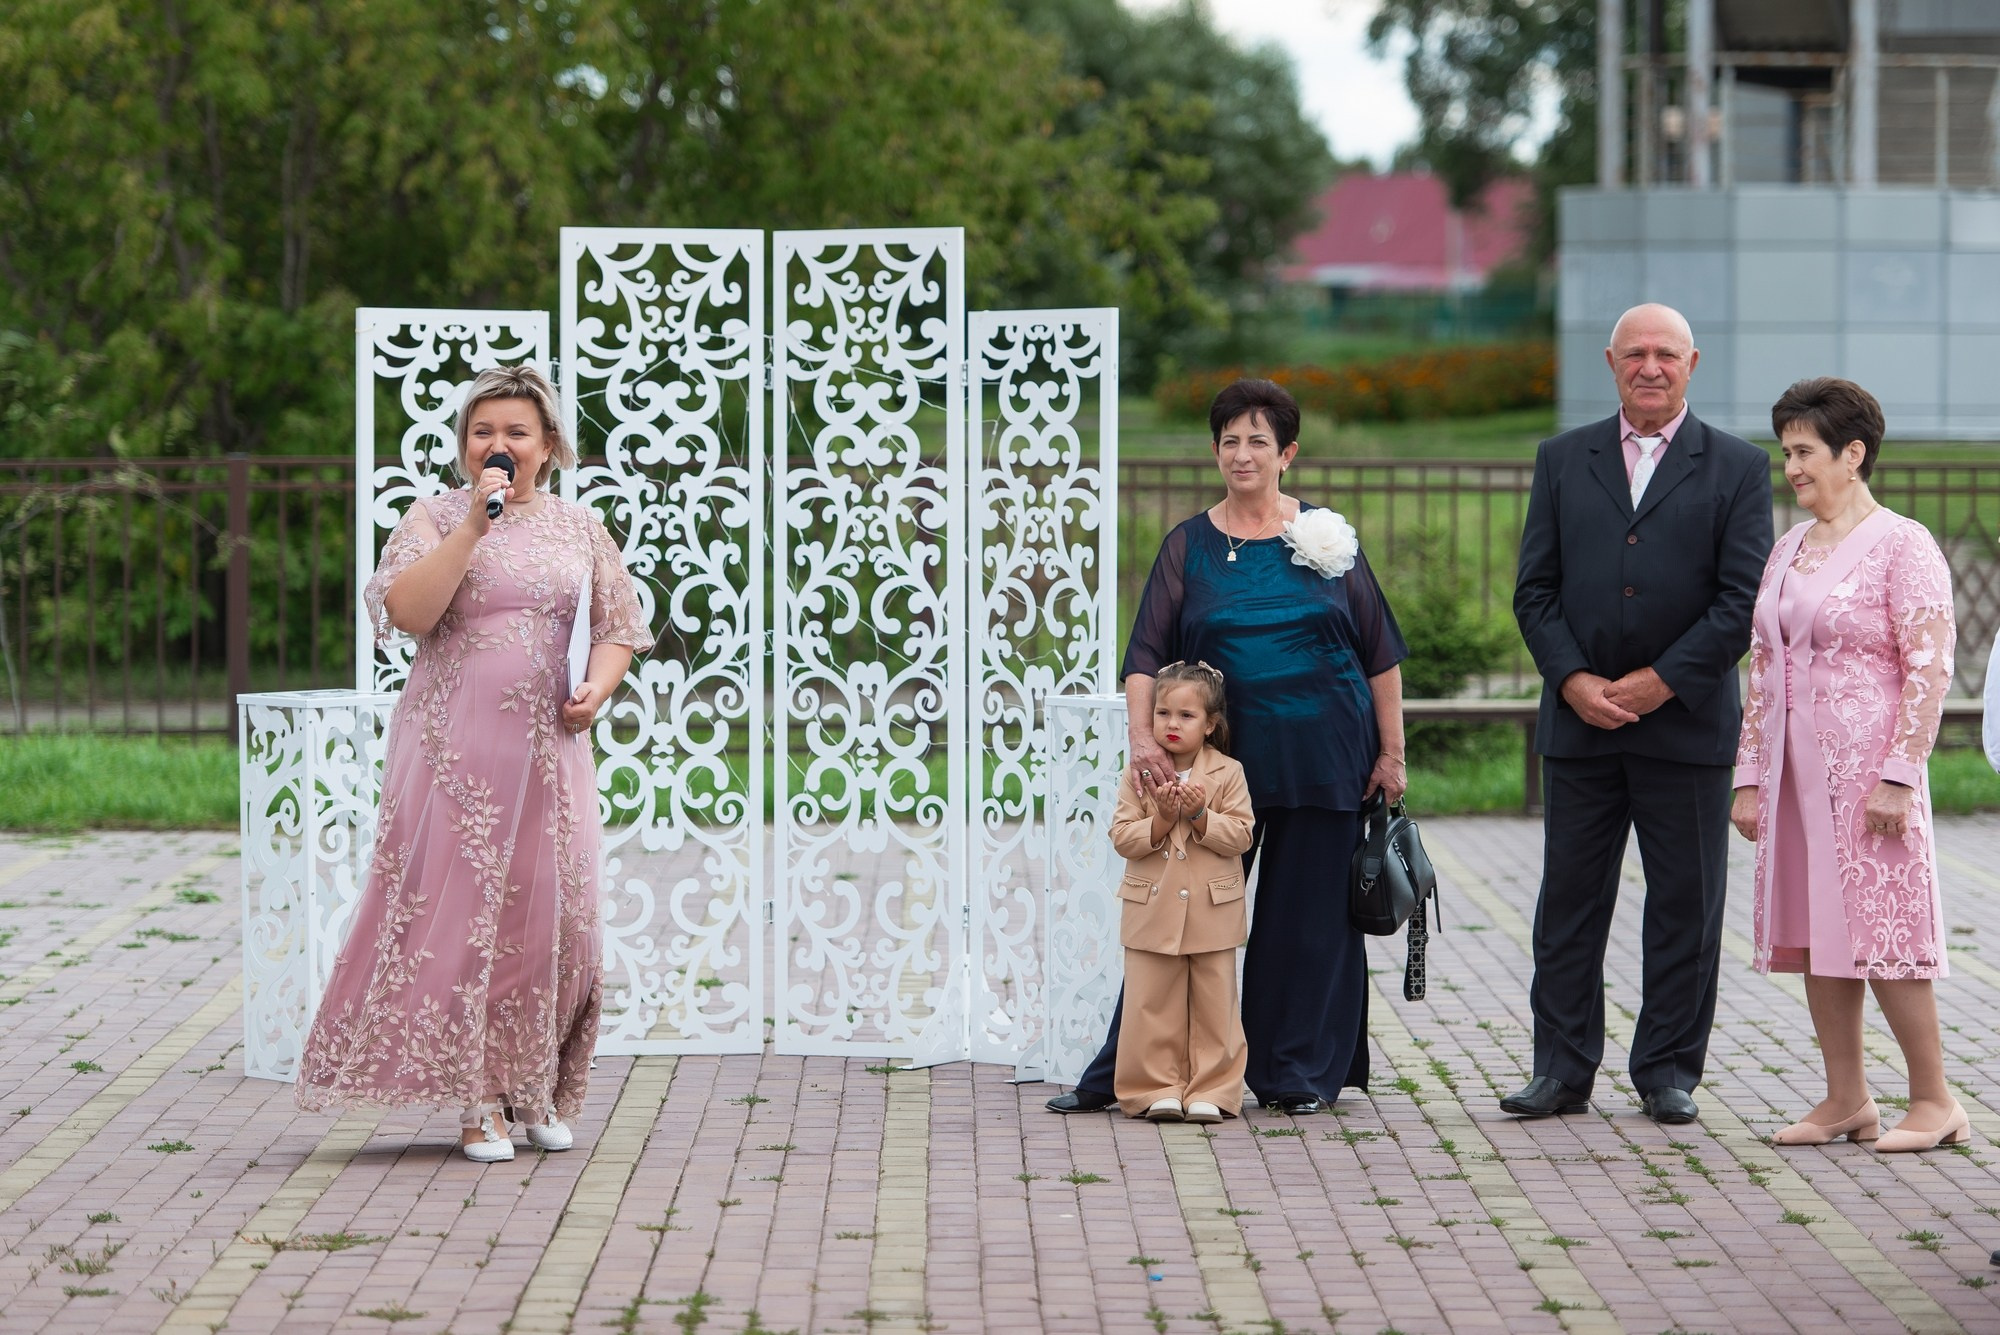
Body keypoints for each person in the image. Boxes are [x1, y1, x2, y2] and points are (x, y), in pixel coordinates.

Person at [296, 365, 655, 1163]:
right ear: (464, 448)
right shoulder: (432, 519)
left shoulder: (579, 526)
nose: (498, 444)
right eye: (482, 431)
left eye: (515, 431)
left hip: (550, 749)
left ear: (550, 446)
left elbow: (617, 624)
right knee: (464, 920)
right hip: (453, 750)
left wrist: (598, 684)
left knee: (559, 920)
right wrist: (472, 527)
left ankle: (536, 1088)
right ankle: (476, 1098)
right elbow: (411, 611)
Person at [1046, 378, 1408, 1117]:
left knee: (1305, 922)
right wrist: (1143, 740)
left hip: (1326, 750)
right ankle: (1134, 1070)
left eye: (1259, 441)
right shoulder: (1189, 544)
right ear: (1216, 452)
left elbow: (1380, 652)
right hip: (1211, 769)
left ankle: (1295, 1073)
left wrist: (1392, 752)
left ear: (1288, 453)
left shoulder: (1327, 538)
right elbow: (1144, 654)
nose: (1243, 454)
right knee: (1179, 915)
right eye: (1230, 441)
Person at [1503, 303, 1773, 1126]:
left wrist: (1663, 680)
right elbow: (1534, 590)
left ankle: (1666, 1070)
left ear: (1693, 362)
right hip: (1581, 724)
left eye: (1665, 354)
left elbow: (1742, 601)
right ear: (1611, 362)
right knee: (1569, 904)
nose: (1649, 367)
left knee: (1685, 905)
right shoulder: (1562, 457)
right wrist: (1576, 680)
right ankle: (1561, 1067)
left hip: (1685, 725)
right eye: (1634, 354)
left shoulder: (1737, 466)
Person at [1731, 377, 1963, 1152]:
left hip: (1869, 773)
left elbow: (1930, 668)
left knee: (1885, 928)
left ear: (1852, 453)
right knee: (1814, 929)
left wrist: (1901, 772)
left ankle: (1934, 1099)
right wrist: (1750, 775)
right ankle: (1846, 1097)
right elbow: (1763, 666)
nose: (1790, 467)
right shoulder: (1788, 546)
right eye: (1786, 451)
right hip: (1794, 771)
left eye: (1803, 451)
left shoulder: (1906, 545)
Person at [1107, 661, 1256, 1123]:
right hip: (1150, 906)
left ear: (1211, 724)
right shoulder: (1140, 775)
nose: (1172, 724)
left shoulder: (1229, 773)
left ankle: (1214, 1089)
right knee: (1151, 1002)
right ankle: (1155, 1088)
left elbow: (1242, 835)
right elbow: (1121, 836)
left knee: (1215, 1004)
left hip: (1213, 910)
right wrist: (1161, 821)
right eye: (1163, 713)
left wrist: (1200, 817)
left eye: (1186, 716)